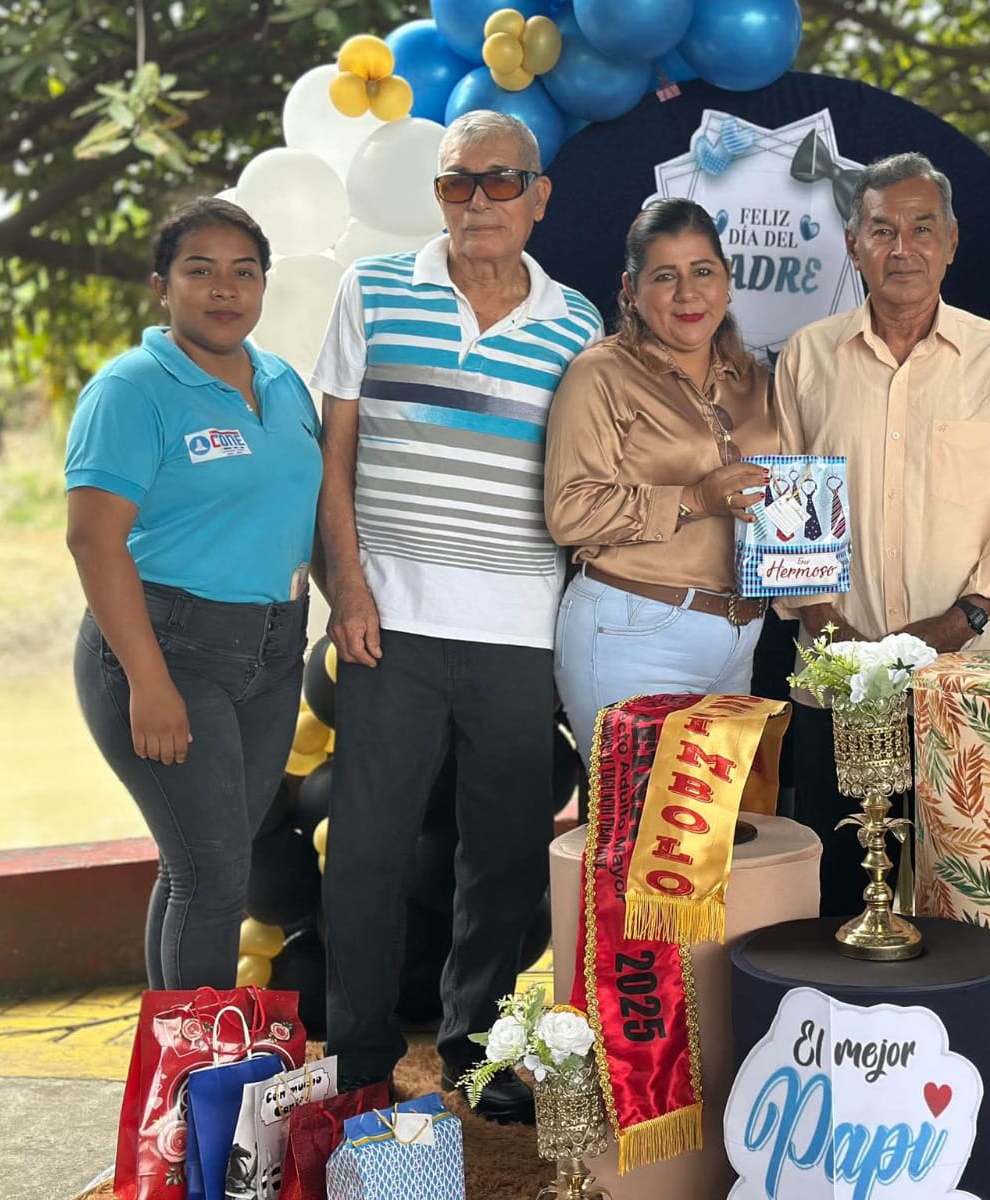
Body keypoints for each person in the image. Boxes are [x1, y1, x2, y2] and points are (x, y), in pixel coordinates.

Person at [312, 110, 602, 1118]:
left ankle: (475, 1052)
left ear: (538, 195)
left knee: (506, 859)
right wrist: (348, 589)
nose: (477, 201)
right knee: (366, 849)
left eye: (499, 180)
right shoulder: (372, 290)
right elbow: (333, 458)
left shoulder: (577, 326)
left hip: (521, 632)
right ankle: (357, 1060)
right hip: (387, 622)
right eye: (455, 183)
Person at [773, 152, 990, 916]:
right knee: (839, 901)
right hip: (839, 684)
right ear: (853, 245)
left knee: (970, 899)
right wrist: (829, 631)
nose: (902, 248)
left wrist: (957, 624)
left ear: (952, 242)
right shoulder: (808, 357)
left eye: (922, 229)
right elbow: (787, 510)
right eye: (882, 230)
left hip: (968, 681)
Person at [66, 197, 320, 990]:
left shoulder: (281, 382)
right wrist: (149, 682)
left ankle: (174, 1056)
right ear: (161, 286)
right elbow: (93, 540)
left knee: (204, 868)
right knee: (211, 877)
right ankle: (200, 1064)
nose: (224, 289)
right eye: (200, 271)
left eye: (244, 272)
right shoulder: (131, 389)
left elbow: (303, 510)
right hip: (167, 651)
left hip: (274, 654)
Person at [545, 198, 774, 760]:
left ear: (727, 279)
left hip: (740, 638)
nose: (688, 293)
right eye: (665, 276)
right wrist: (694, 498)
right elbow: (569, 511)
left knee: (714, 818)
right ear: (631, 289)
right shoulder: (601, 373)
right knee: (637, 813)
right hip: (632, 631)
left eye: (703, 271)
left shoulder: (757, 381)